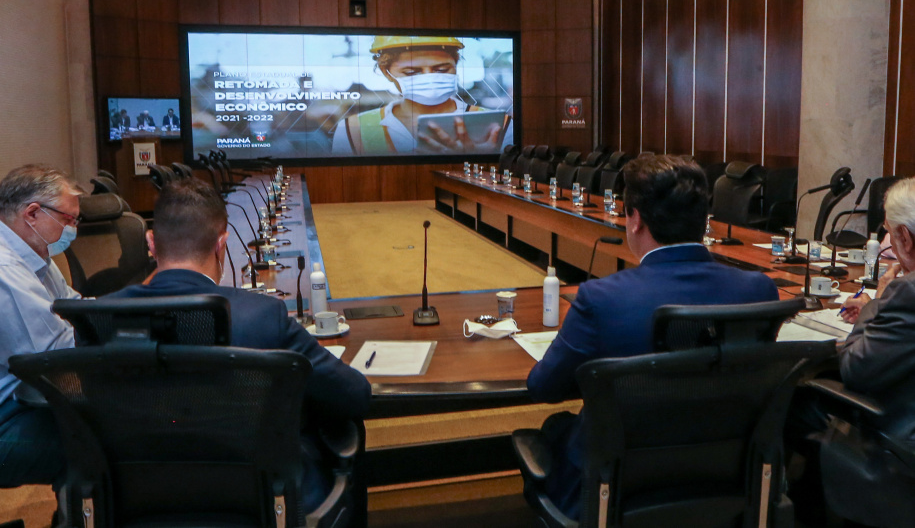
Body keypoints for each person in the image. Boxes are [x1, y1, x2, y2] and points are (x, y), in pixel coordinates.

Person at [526, 154, 779, 520]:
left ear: (635, 220)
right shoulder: (759, 290)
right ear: (704, 220)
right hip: (722, 477)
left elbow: (543, 387)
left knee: (556, 430)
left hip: (615, 487)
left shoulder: (602, 299)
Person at [106, 178, 372, 514]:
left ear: (151, 243)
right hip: (255, 500)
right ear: (222, 245)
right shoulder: (262, 315)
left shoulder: (103, 317)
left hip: (136, 501)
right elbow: (354, 395)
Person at [0, 164, 82, 487]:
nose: (74, 228)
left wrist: (125, 308)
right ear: (33, 214)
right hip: (6, 416)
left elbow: (75, 308)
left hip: (19, 400)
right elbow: (56, 355)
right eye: (68, 219)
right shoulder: (6, 271)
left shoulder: (34, 255)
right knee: (95, 441)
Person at [331, 35, 512, 155]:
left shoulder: (502, 125)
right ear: (387, 72)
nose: (430, 78)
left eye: (442, 69)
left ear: (456, 66)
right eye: (412, 72)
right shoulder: (351, 129)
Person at [839, 176, 915, 444]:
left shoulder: (907, 292)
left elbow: (853, 368)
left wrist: (879, 302)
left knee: (799, 402)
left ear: (904, 236)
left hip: (899, 447)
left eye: (889, 233)